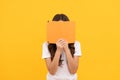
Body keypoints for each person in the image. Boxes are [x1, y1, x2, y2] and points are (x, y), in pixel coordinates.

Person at [42, 14, 82, 80]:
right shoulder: (46, 45)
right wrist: (58, 51)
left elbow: (73, 70)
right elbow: (52, 71)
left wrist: (66, 49)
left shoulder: (76, 44)